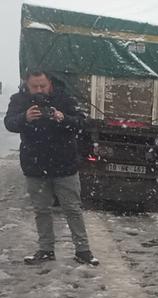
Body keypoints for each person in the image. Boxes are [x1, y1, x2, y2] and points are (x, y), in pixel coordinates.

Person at [4, 70, 98, 266]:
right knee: (41, 210)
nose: (39, 90)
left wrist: (64, 118)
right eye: (34, 87)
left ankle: (83, 251)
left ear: (50, 84)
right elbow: (9, 123)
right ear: (27, 85)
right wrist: (25, 118)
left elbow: (82, 123)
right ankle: (46, 250)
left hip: (64, 164)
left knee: (72, 209)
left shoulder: (65, 99)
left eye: (43, 86)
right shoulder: (19, 100)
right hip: (35, 165)